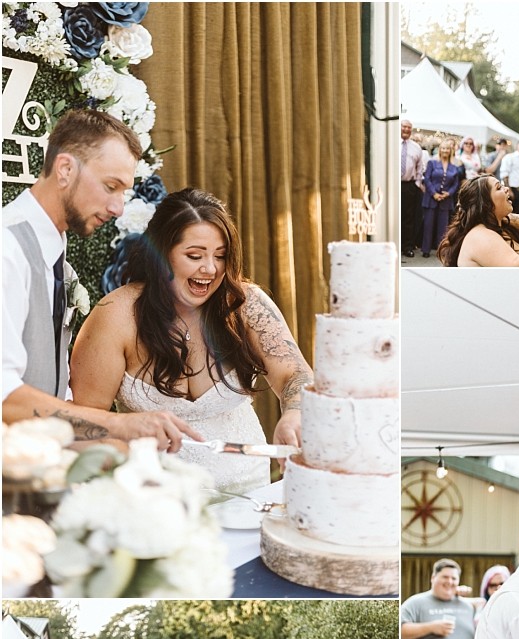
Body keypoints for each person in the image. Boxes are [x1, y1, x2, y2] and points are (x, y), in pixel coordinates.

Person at [70, 188, 313, 492]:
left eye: (220, 256)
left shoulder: (246, 303)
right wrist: (134, 472)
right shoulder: (115, 316)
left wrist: (294, 413)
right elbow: (85, 422)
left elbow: (295, 374)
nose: (210, 269)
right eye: (194, 256)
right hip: (157, 499)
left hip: (250, 492)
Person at [2, 108, 200, 451]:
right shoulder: (7, 249)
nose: (119, 207)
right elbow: (4, 397)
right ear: (65, 169)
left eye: (123, 192)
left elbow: (48, 386)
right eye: (111, 187)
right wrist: (118, 423)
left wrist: (113, 444)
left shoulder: (52, 247)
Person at [420, 139, 461, 258]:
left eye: (447, 148)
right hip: (431, 198)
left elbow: (456, 183)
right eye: (443, 148)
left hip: (446, 199)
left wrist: (449, 193)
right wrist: (434, 193)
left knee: (443, 227)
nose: (445, 150)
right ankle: (426, 249)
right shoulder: (432, 163)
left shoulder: (454, 166)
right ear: (439, 150)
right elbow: (427, 179)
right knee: (428, 224)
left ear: (450, 151)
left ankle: (441, 250)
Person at [400, 118, 425, 258]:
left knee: (409, 218)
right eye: (404, 127)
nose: (406, 130)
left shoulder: (416, 147)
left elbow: (420, 168)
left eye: (409, 128)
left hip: (409, 185)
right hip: (394, 184)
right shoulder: (392, 143)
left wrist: (416, 184)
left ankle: (407, 246)